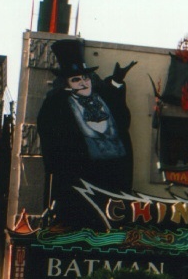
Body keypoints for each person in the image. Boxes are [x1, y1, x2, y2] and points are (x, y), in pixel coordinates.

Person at [37, 39, 136, 227]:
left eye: (85, 78)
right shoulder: (56, 105)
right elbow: (49, 141)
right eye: (76, 80)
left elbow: (124, 120)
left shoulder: (104, 97)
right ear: (67, 84)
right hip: (81, 179)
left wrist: (116, 81)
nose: (83, 83)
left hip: (114, 178)